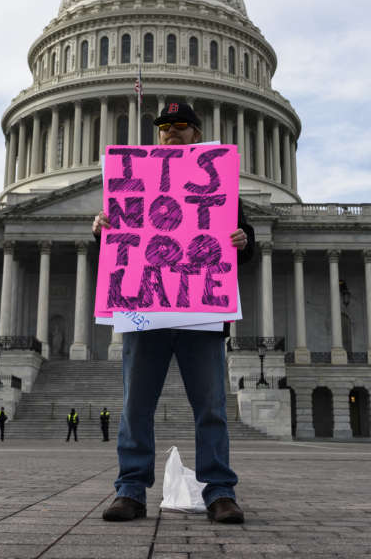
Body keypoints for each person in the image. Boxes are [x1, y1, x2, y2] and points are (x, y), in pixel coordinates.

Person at [97, 100, 255, 525]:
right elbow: (122, 252)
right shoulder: (134, 185)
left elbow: (243, 240)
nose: (172, 133)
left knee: (211, 407)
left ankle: (220, 491)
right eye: (165, 127)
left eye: (181, 126)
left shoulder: (219, 184)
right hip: (146, 313)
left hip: (200, 315)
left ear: (196, 134)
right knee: (135, 407)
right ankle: (130, 489)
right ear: (158, 134)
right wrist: (104, 233)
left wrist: (244, 240)